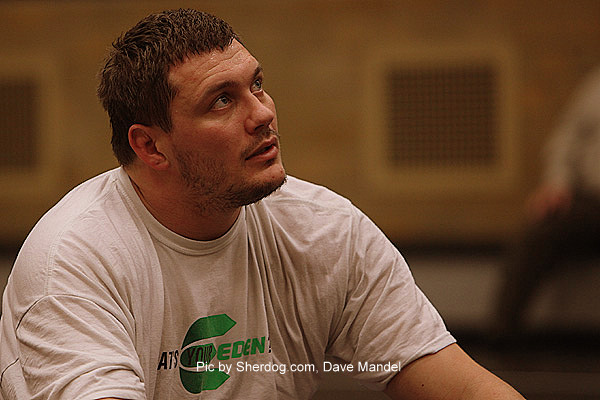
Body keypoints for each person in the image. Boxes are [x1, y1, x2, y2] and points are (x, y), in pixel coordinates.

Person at [0, 9, 524, 400]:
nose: (263, 114)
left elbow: (464, 388)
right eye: (222, 100)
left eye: (257, 85)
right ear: (151, 146)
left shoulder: (324, 231)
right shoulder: (73, 262)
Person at [495, 66, 600, 336]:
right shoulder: (596, 83)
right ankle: (503, 336)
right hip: (591, 201)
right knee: (540, 229)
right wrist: (557, 183)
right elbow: (567, 138)